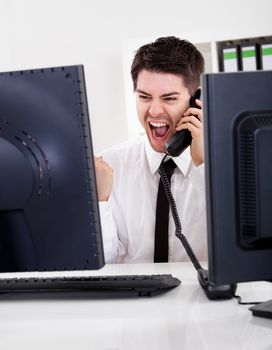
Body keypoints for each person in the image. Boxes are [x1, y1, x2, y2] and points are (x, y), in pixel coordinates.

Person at [95, 36, 207, 263]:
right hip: (132, 299)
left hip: (203, 298)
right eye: (144, 97)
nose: (154, 111)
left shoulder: (226, 166)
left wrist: (210, 166)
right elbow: (100, 267)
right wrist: (100, 201)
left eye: (169, 98)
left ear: (197, 100)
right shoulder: (108, 165)